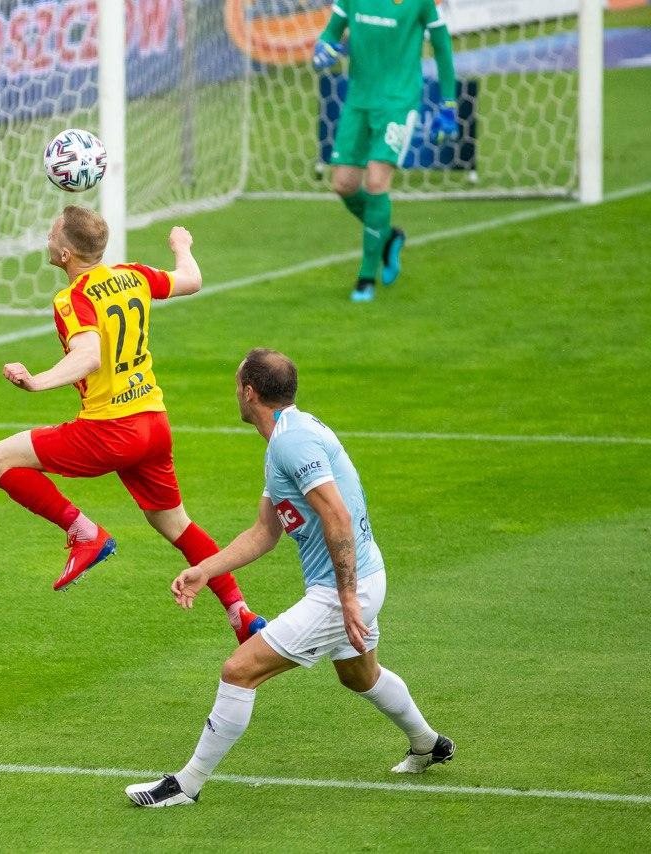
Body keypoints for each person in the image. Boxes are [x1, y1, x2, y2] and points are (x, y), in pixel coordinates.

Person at [126, 348, 453, 808]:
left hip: (344, 589)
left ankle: (186, 784)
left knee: (239, 671)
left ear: (249, 392)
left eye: (236, 383)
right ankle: (428, 743)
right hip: (365, 575)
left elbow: (336, 515)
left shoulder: (290, 443)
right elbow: (265, 532)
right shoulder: (288, 435)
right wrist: (205, 570)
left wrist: (346, 598)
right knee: (359, 675)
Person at [0, 205, 265, 644]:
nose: (47, 239)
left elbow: (88, 356)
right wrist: (182, 246)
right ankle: (241, 614)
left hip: (109, 430)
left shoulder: (72, 299)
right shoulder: (133, 275)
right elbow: (191, 280)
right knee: (176, 525)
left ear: (65, 254)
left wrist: (37, 382)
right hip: (153, 423)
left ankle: (85, 533)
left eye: (52, 234)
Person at [313, 0, 458, 302]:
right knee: (343, 184)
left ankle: (366, 278)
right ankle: (389, 237)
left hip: (398, 101)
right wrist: (323, 49)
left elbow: (442, 45)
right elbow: (330, 33)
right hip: (358, 100)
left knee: (377, 181)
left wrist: (448, 103)